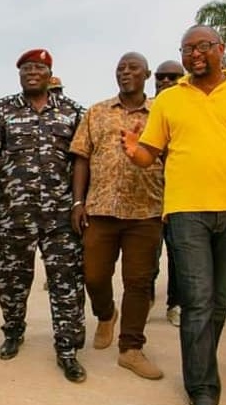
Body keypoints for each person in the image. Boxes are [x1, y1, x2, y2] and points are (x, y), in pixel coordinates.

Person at [121, 26, 226, 405]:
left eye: (203, 47)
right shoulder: (170, 100)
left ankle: (200, 376)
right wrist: (133, 151)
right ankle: (204, 394)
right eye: (188, 49)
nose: (195, 55)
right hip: (185, 211)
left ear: (221, 50)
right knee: (196, 300)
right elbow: (149, 155)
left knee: (217, 304)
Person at [0, 49, 87, 382]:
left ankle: (67, 349)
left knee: (66, 283)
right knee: (10, 279)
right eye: (25, 68)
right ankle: (13, 330)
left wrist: (80, 203)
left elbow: (82, 161)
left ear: (50, 74)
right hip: (13, 213)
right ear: (19, 74)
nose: (31, 72)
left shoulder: (73, 112)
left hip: (61, 217)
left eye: (38, 67)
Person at [70, 52, 165, 381]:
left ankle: (131, 348)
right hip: (101, 208)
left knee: (139, 282)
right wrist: (77, 202)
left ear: (147, 74)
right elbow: (81, 157)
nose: (126, 73)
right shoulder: (96, 112)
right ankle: (106, 314)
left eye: (133, 68)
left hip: (147, 210)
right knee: (93, 275)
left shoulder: (161, 113)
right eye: (121, 69)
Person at [152, 60, 185, 327]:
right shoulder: (148, 109)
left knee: (178, 255)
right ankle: (147, 295)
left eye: (172, 77)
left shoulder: (189, 107)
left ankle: (175, 303)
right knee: (148, 254)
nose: (164, 82)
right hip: (148, 197)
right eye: (160, 77)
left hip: (180, 197)